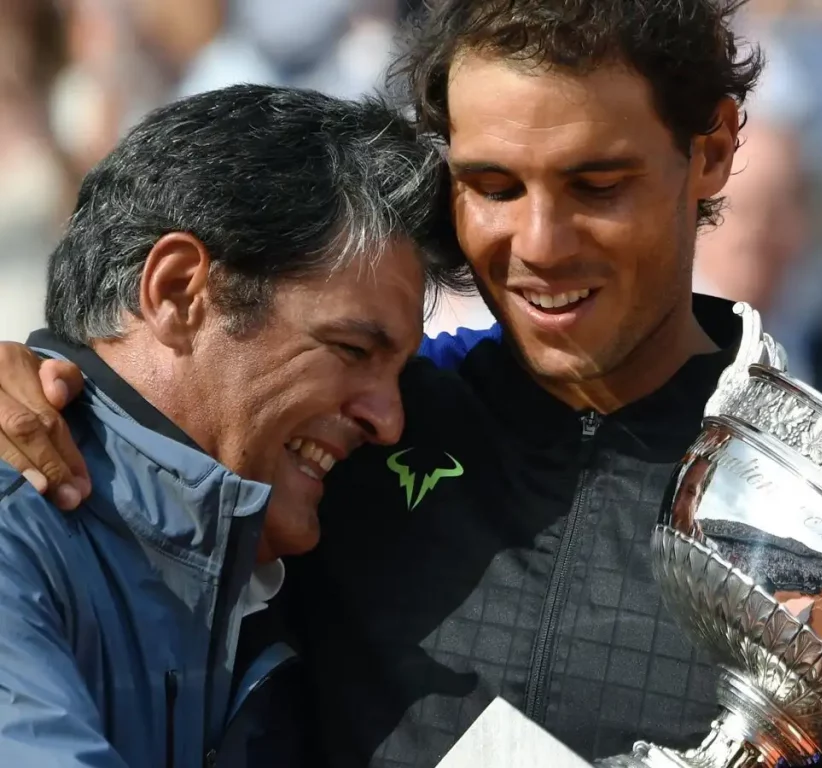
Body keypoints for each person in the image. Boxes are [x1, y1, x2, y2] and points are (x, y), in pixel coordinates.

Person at [0, 1, 764, 765]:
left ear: (714, 149)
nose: (541, 244)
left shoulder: (804, 522)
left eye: (597, 185)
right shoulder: (309, 454)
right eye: (494, 186)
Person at [0, 84, 464, 767]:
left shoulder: (281, 553)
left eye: (396, 372)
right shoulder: (18, 528)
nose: (389, 422)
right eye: (352, 351)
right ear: (179, 292)